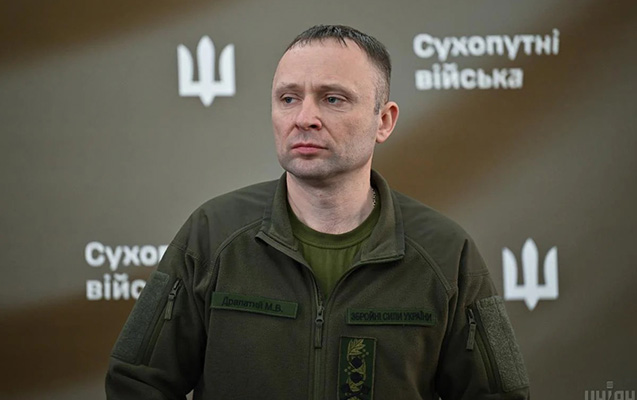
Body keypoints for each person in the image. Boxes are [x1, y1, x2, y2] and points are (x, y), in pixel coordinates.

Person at [106, 25, 530, 399]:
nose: (304, 118)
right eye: (289, 98)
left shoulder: (445, 252)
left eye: (332, 99)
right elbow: (137, 383)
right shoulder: (212, 234)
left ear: (384, 121)